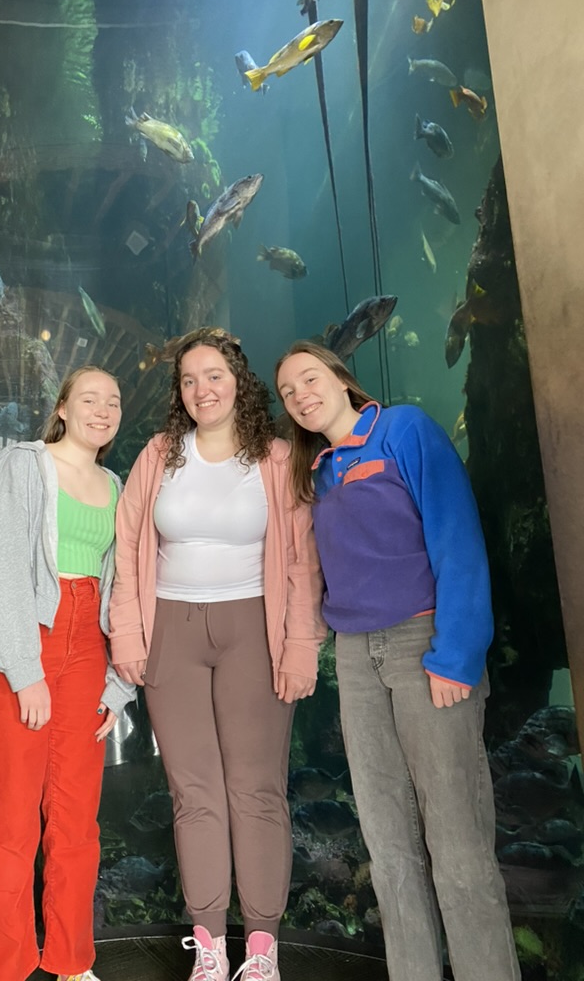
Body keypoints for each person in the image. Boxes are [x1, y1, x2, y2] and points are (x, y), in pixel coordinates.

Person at [275, 340, 521, 981]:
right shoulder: (320, 473)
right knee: (387, 849)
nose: (302, 395)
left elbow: (457, 535)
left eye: (309, 378)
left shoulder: (404, 429)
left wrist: (458, 655)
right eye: (288, 392)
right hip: (356, 663)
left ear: (340, 376)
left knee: (459, 847)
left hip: (424, 646)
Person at [108, 328, 325, 981]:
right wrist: (127, 636)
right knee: (193, 794)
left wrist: (300, 647)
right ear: (180, 394)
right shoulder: (157, 454)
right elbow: (125, 548)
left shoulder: (278, 458)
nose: (201, 389)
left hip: (254, 633)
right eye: (188, 380)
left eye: (213, 376)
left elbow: (300, 565)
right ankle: (208, 947)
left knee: (255, 791)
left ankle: (260, 951)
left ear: (239, 380)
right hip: (171, 632)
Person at [0, 366, 136, 981]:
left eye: (113, 402)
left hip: (88, 648)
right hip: (26, 640)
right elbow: (1, 568)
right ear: (62, 408)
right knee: (11, 820)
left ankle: (70, 961)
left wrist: (119, 684)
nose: (103, 410)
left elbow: (122, 588)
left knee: (75, 819)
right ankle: (6, 968)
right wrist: (23, 670)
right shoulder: (24, 465)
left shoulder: (116, 484)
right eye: (89, 398)